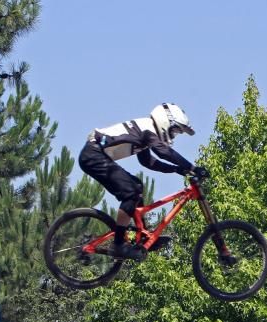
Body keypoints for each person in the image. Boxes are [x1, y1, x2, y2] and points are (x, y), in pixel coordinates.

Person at [78, 103, 201, 260]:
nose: (173, 136)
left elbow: (148, 162)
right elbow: (163, 152)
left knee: (137, 186)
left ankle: (142, 236)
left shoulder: (144, 131)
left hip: (95, 155)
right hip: (93, 155)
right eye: (174, 131)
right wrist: (192, 167)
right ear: (165, 121)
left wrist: (176, 169)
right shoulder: (147, 129)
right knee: (131, 192)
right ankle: (118, 244)